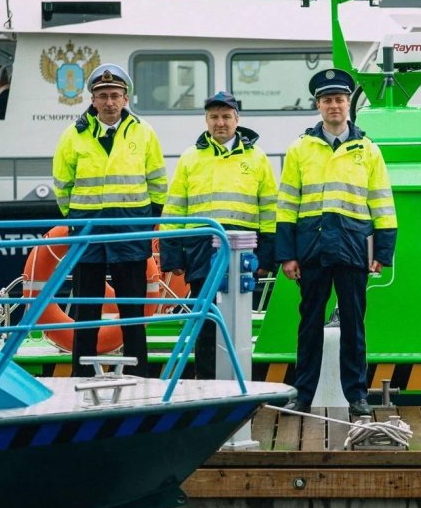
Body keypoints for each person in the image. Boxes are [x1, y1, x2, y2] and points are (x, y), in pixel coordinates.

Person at [275, 68, 397, 417]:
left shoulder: (368, 150)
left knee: (354, 328)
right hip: (312, 250)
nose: (334, 105)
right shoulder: (300, 148)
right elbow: (287, 203)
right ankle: (303, 395)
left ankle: (357, 396)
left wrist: (383, 253)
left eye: (340, 99)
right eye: (327, 100)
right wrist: (287, 255)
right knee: (309, 326)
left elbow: (382, 203)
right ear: (318, 105)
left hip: (352, 249)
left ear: (348, 104)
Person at [52, 63, 167, 378]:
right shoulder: (73, 136)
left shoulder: (144, 133)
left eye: (115, 95)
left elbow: (158, 182)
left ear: (126, 98)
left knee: (132, 310)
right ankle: (82, 373)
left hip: (130, 230)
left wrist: (147, 221)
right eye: (102, 96)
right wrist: (75, 219)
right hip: (88, 232)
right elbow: (62, 185)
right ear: (92, 100)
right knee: (87, 309)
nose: (109, 102)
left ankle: (139, 374)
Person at [161, 91, 277, 379]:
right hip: (202, 250)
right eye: (214, 117)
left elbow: (270, 210)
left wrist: (267, 256)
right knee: (205, 321)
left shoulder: (258, 158)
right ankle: (206, 384)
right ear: (206, 120)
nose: (220, 122)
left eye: (226, 116)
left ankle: (239, 380)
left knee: (239, 322)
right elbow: (175, 208)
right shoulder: (191, 158)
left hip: (244, 251)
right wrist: (173, 255)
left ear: (237, 119)